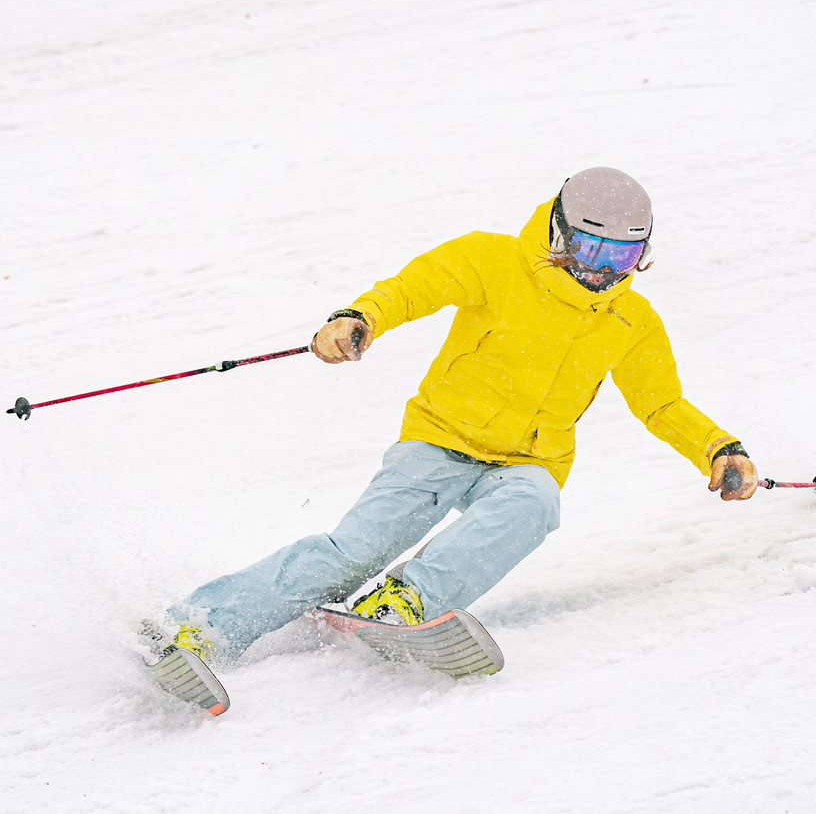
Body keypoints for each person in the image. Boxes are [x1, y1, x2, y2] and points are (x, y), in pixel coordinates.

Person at [159, 167, 758, 662]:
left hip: (528, 460)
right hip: (439, 440)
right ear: (558, 231)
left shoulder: (632, 320)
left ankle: (405, 603)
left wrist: (718, 447)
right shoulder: (492, 260)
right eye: (589, 246)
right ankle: (197, 626)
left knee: (535, 505)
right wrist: (357, 317)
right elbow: (412, 288)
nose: (602, 268)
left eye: (622, 253)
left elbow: (660, 402)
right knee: (354, 552)